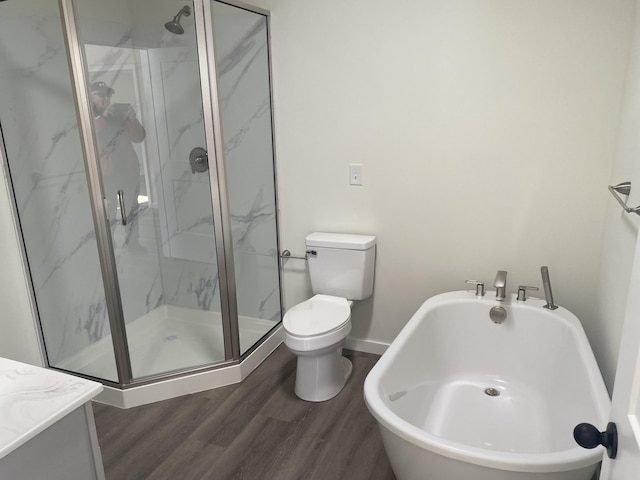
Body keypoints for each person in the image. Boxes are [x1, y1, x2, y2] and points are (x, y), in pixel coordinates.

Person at [90, 81, 147, 252]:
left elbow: (139, 137)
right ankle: (109, 248)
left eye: (108, 96)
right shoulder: (87, 118)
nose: (105, 100)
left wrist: (132, 119)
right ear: (90, 97)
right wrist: (104, 117)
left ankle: (132, 243)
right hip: (105, 176)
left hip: (127, 173)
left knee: (131, 211)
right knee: (108, 214)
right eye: (101, 96)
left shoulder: (118, 117)